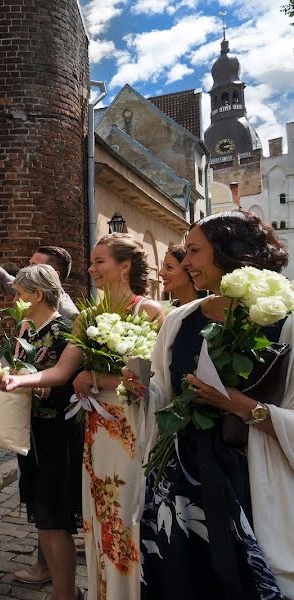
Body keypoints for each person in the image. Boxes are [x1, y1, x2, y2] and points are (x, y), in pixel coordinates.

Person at [122, 211, 293, 599]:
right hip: (179, 478)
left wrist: (242, 406)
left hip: (248, 479)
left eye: (195, 251)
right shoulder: (180, 320)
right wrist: (142, 393)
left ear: (231, 253)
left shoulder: (284, 323)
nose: (185, 263)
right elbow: (164, 394)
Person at [0, 234, 164, 598]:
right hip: (96, 428)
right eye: (91, 261)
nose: (91, 268)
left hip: (132, 425)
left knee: (129, 511)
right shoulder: (87, 317)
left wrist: (99, 377)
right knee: (98, 515)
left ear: (125, 266)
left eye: (99, 261)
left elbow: (157, 377)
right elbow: (60, 372)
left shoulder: (149, 312)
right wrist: (18, 379)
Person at [0, 265, 83, 600]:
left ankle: (65, 595)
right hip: (31, 433)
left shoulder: (67, 328)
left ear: (38, 294)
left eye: (20, 294)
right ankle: (65, 589)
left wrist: (20, 381)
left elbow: (60, 375)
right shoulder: (27, 329)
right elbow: (17, 368)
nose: (15, 299)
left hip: (58, 434)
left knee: (56, 519)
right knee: (43, 518)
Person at [0, 243, 79, 320]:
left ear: (54, 275)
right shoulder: (27, 290)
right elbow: (3, 279)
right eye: (29, 264)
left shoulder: (69, 314)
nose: (15, 299)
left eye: (34, 266)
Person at [159, 243, 199, 307]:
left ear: (189, 270)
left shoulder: (209, 311)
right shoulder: (167, 311)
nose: (160, 273)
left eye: (169, 267)